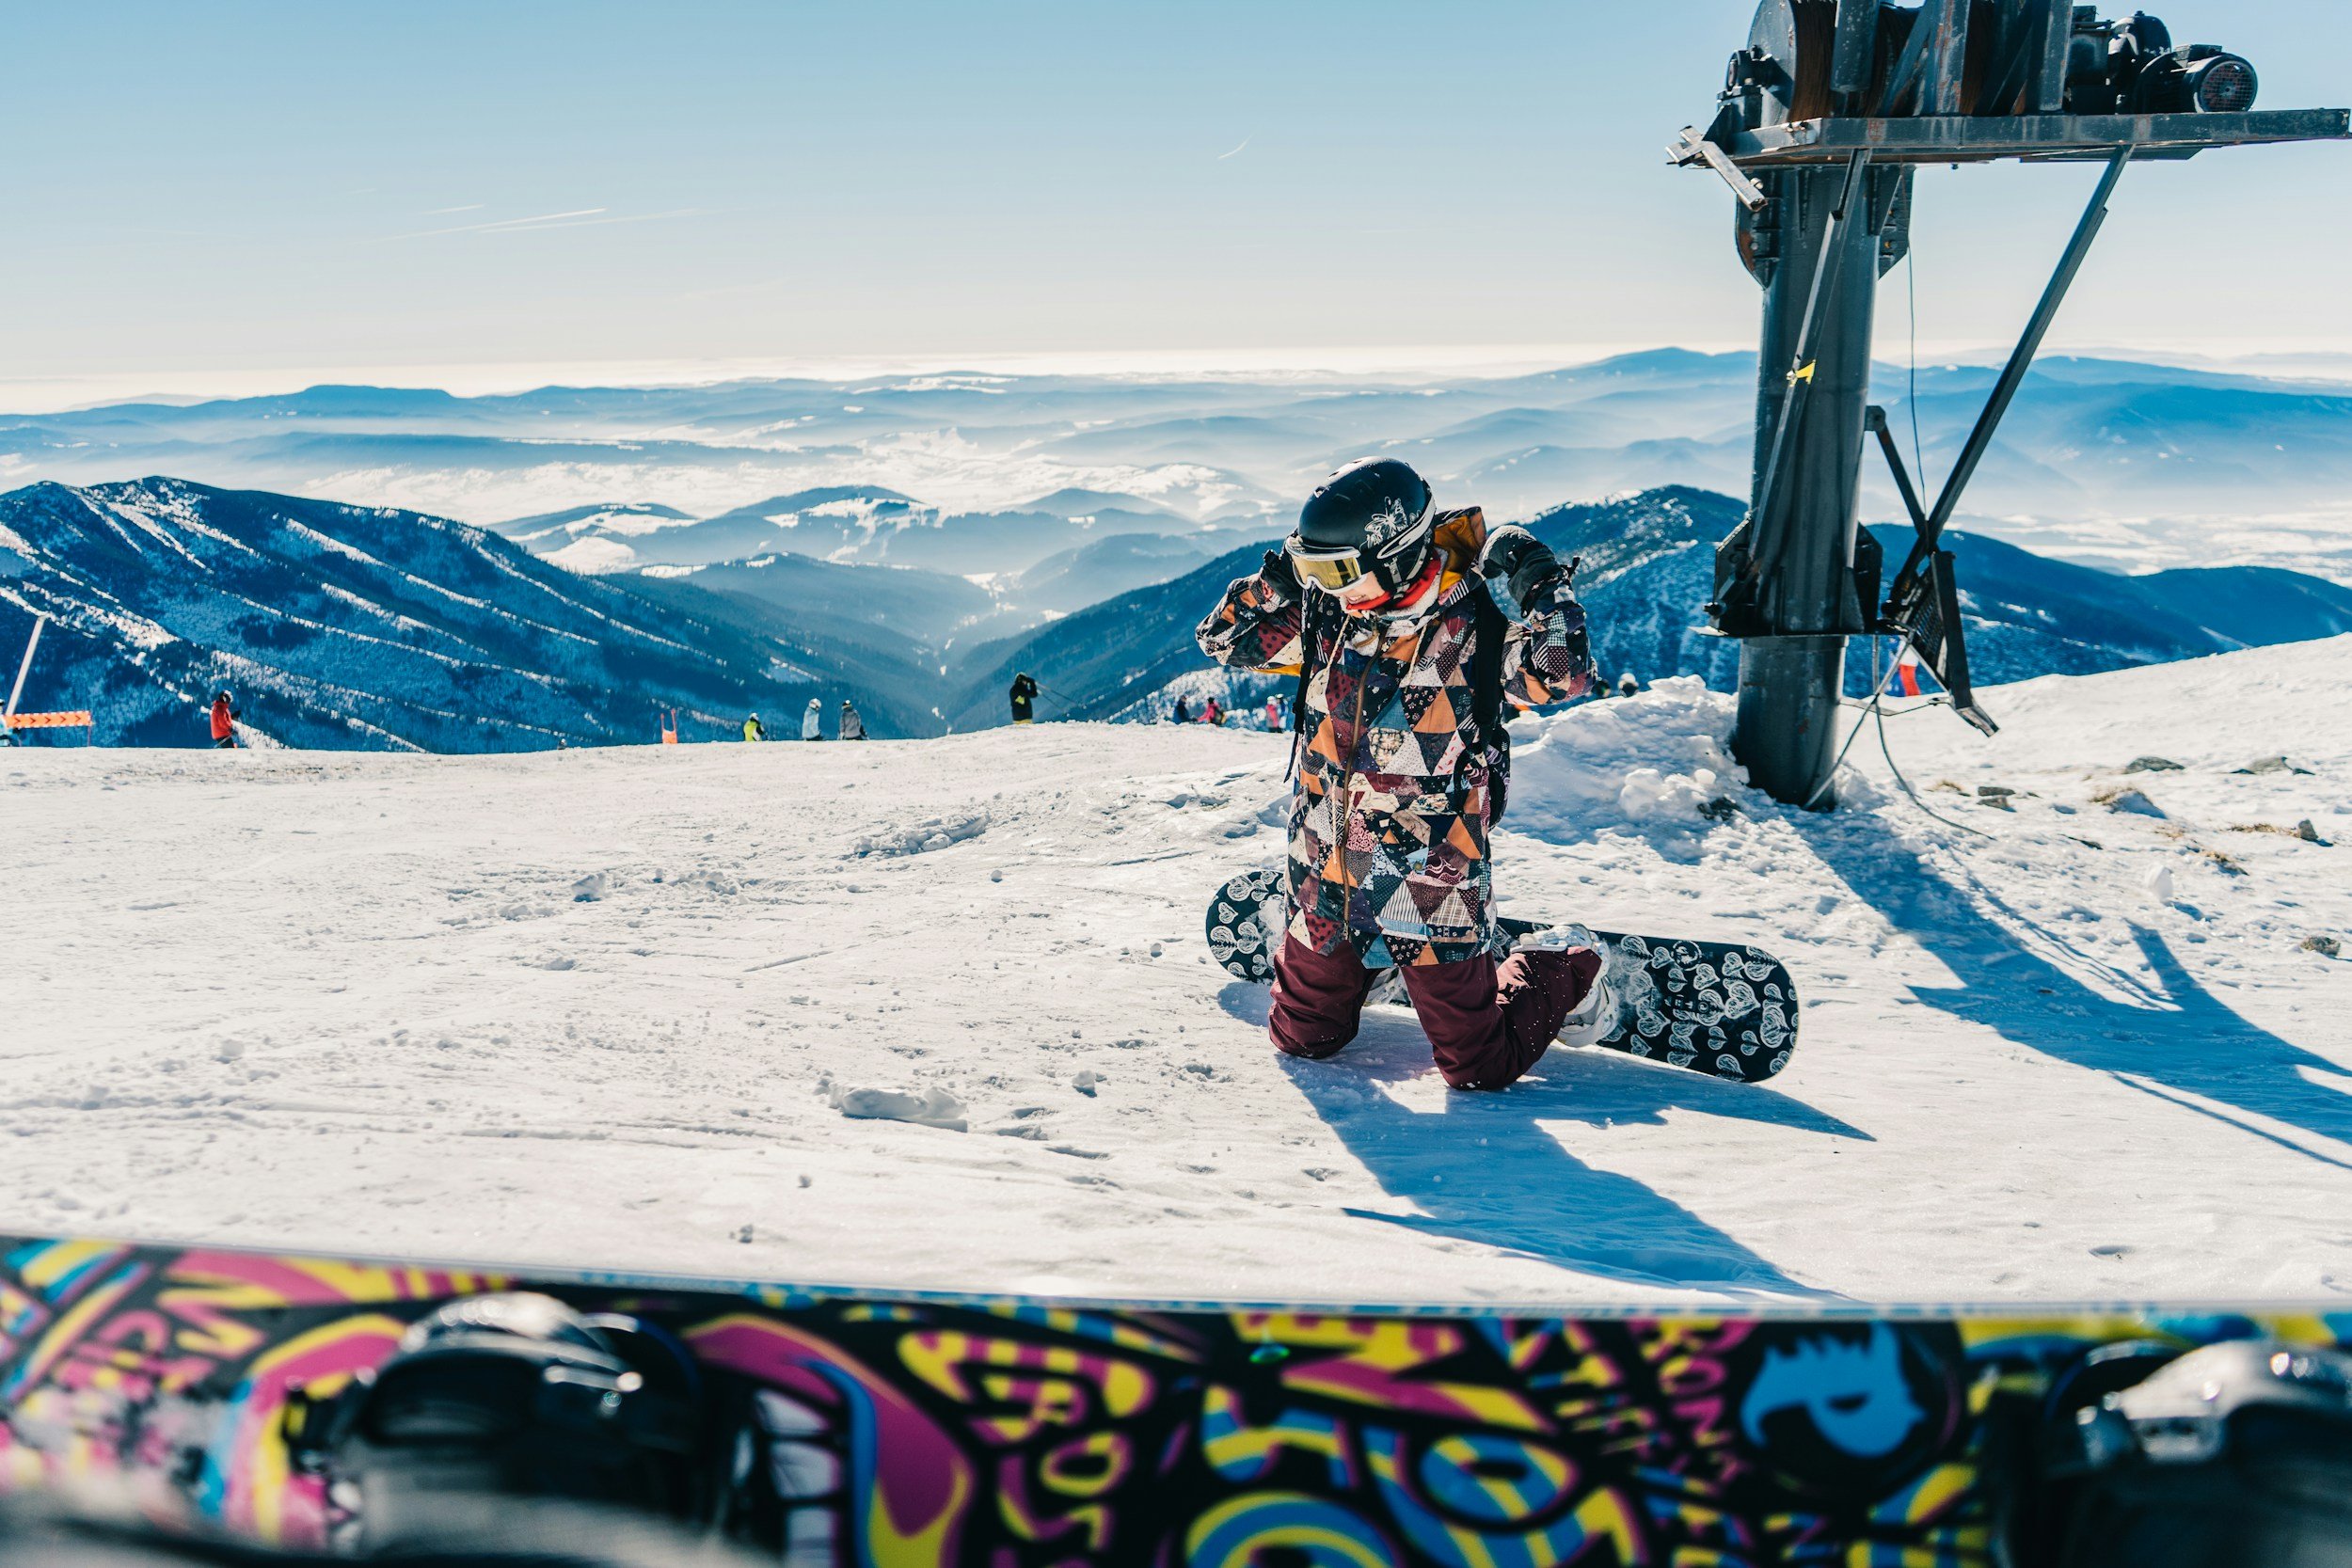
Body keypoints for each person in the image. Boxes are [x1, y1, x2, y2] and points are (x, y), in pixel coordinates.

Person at [1197, 457, 1603, 1091]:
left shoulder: (1472, 631)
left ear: (1396, 554)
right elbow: (1222, 640)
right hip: (1325, 869)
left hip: (1427, 880)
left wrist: (1539, 580)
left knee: (1478, 1066)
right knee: (1303, 1040)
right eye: (1315, 570)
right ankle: (1377, 965)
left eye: (1337, 572)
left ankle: (1565, 959)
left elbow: (1562, 672)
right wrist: (1277, 582)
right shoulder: (1330, 617)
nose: (1328, 588)